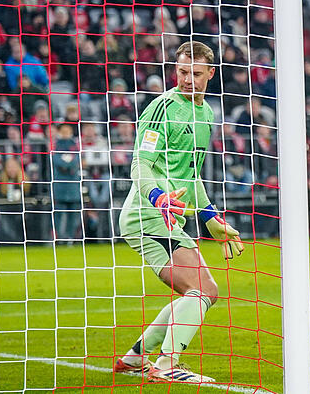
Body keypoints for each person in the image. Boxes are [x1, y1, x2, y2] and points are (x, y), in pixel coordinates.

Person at [114, 41, 244, 383]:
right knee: (203, 290)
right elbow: (141, 165)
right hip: (148, 214)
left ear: (210, 74)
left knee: (200, 291)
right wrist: (158, 197)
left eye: (196, 74)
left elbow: (192, 176)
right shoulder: (161, 108)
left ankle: (135, 358)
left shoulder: (206, 115)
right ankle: (166, 363)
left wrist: (211, 219)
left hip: (168, 217)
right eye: (183, 72)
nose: (189, 79)